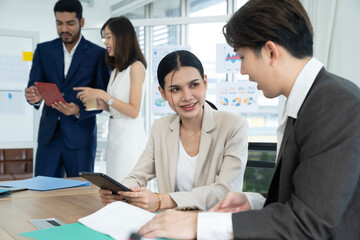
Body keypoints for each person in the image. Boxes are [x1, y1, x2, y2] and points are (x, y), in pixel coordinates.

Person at [138, 0, 360, 239]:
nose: (242, 70)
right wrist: (252, 202)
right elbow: (303, 200)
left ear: (270, 52)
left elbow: (310, 222)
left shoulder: (333, 103)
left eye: (242, 57)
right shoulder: (312, 100)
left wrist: (199, 225)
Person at [99, 50, 249, 212]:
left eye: (194, 85)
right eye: (175, 89)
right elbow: (137, 176)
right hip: (170, 224)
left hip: (213, 225)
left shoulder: (234, 125)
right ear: (163, 93)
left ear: (205, 83)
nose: (187, 96)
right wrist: (120, 192)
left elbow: (225, 191)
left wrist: (160, 200)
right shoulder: (161, 128)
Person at [25, 0, 110, 178]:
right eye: (59, 23)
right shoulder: (43, 50)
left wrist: (79, 109)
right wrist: (34, 97)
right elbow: (33, 86)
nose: (64, 29)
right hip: (49, 138)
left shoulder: (98, 55)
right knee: (42, 194)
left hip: (81, 139)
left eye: (70, 23)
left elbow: (103, 98)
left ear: (82, 22)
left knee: (80, 196)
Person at [74, 16, 147, 182]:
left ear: (121, 38)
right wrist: (100, 103)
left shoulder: (136, 67)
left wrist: (103, 95)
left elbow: (134, 110)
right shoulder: (117, 70)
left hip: (129, 137)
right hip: (114, 133)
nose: (105, 42)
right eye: (104, 37)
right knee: (115, 184)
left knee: (128, 187)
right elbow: (116, 106)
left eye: (108, 37)